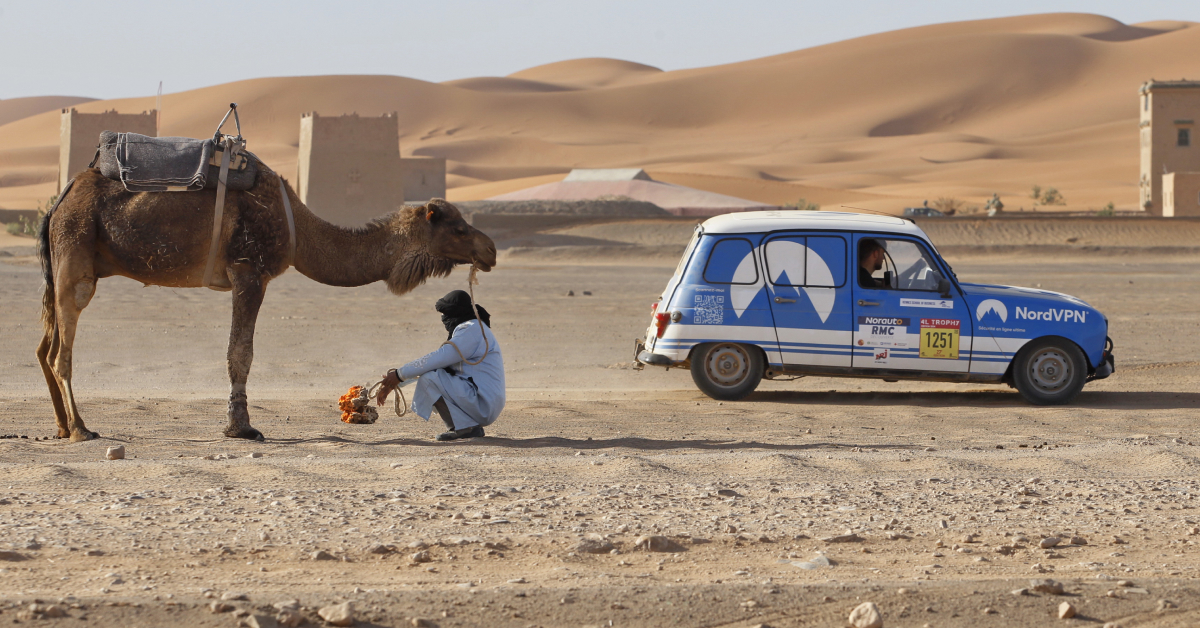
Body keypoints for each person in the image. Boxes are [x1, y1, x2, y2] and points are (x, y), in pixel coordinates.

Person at [375, 290, 505, 441]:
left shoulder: (471, 330)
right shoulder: (473, 327)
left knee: (430, 379)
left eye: (447, 313)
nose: (444, 318)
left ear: (457, 313)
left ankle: (464, 428)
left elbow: (437, 360)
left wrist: (398, 375)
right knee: (434, 376)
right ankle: (468, 426)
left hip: (483, 402)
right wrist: (398, 381)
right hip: (485, 399)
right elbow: (439, 365)